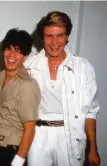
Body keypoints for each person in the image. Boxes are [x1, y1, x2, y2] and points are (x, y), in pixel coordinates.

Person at [25, 11, 101, 166]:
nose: (55, 42)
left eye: (60, 35)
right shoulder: (28, 67)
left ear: (68, 36)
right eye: (49, 36)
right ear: (42, 37)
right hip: (38, 135)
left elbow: (90, 112)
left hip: (70, 134)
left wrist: (93, 148)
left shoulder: (83, 67)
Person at [0, 28, 41, 166]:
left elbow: (30, 128)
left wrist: (19, 161)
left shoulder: (27, 85)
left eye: (18, 51)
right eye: (9, 48)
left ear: (25, 56)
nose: (11, 54)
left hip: (12, 150)